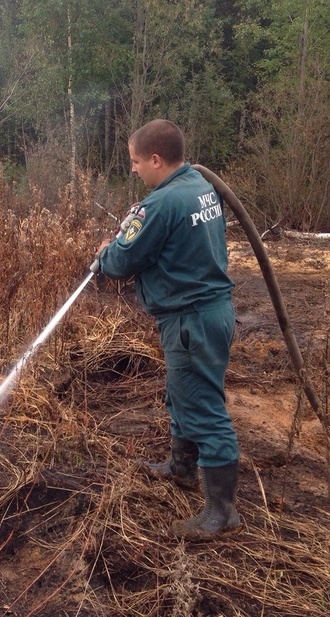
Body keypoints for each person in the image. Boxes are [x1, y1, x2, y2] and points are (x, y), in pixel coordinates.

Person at [95, 119, 241, 540]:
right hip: (205, 312)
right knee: (182, 392)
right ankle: (181, 469)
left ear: (156, 159)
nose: (134, 170)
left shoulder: (160, 204)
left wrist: (107, 255)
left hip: (192, 318)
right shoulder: (198, 185)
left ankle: (221, 513)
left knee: (204, 408)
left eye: (136, 162)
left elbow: (123, 263)